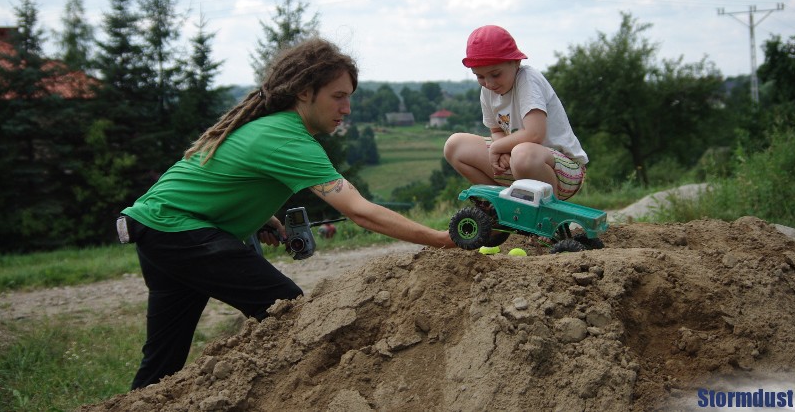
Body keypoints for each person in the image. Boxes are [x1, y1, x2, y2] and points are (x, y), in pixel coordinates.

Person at [119, 37, 454, 390]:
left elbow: (216, 178)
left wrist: (260, 216)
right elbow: (361, 212)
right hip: (178, 231)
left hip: (154, 227)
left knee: (162, 361)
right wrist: (440, 239)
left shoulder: (271, 127)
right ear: (305, 92)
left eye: (349, 97)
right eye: (338, 96)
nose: (347, 108)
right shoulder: (288, 137)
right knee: (288, 310)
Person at [444, 25, 588, 201]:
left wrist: (497, 147)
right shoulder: (488, 91)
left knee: (522, 154)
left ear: (516, 63)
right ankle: (501, 207)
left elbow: (535, 133)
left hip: (562, 171)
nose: (489, 83)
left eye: (495, 74)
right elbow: (496, 131)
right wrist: (502, 152)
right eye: (480, 76)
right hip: (518, 162)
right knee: (455, 146)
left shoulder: (527, 79)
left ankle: (548, 216)